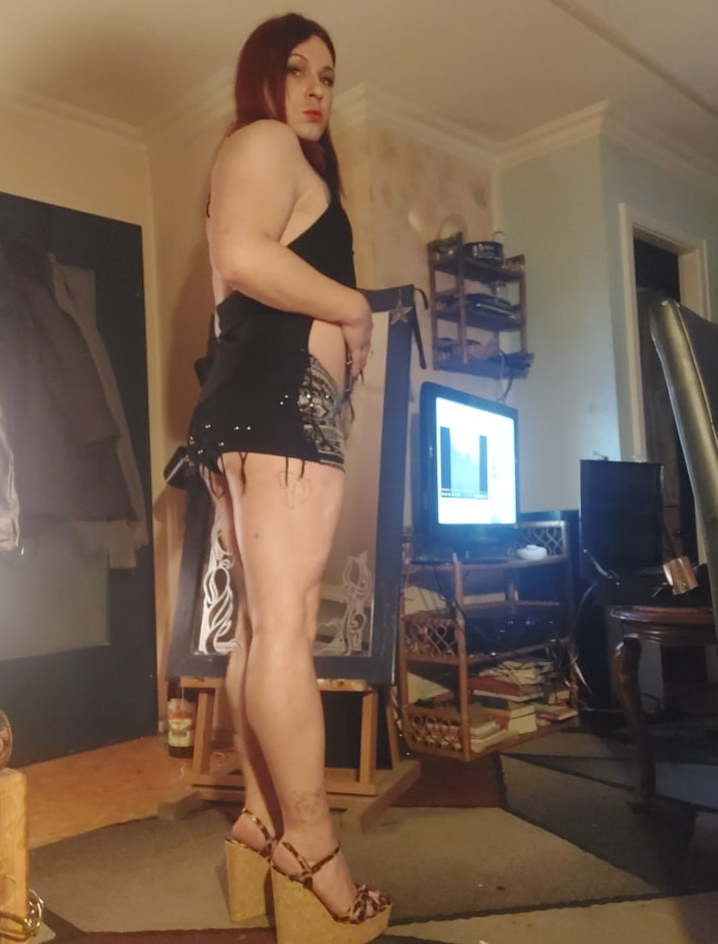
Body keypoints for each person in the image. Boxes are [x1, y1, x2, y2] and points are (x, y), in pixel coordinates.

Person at [185, 12, 391, 944]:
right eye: (297, 69)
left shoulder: (266, 161)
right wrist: (355, 309)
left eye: (328, 77)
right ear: (262, 78)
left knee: (263, 632)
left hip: (255, 412)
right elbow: (242, 258)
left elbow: (233, 283)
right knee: (287, 632)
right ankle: (313, 852)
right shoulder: (263, 141)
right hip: (281, 413)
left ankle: (261, 826)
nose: (315, 89)